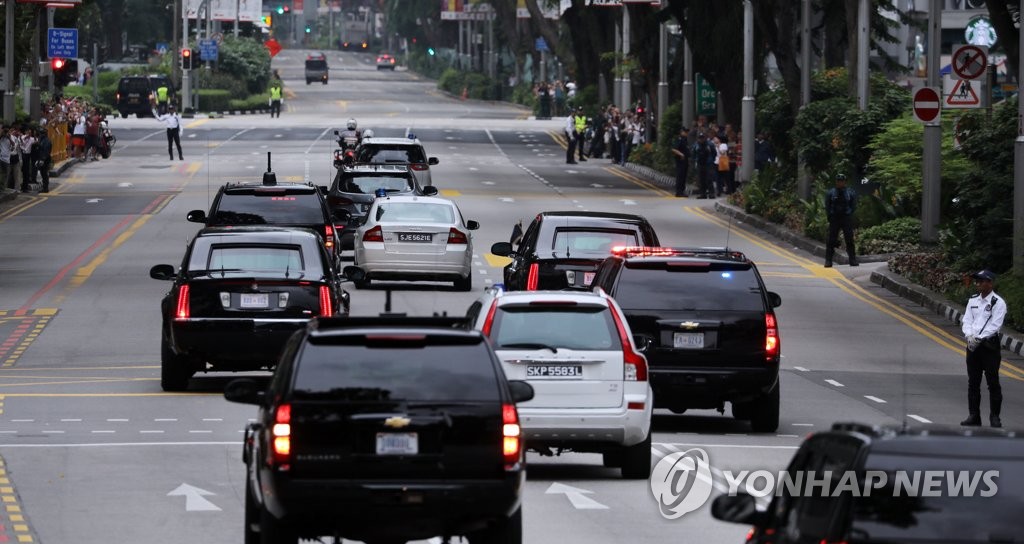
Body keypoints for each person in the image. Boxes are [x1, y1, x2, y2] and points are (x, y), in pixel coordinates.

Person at [960, 270, 1006, 428]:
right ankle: (974, 415)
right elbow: (967, 320)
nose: (978, 283)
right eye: (977, 281)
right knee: (973, 381)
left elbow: (995, 325)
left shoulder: (998, 302)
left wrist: (979, 338)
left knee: (992, 382)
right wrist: (969, 335)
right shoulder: (973, 300)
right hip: (972, 346)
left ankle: (995, 416)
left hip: (989, 346)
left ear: (990, 283)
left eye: (981, 281)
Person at [824, 173, 858, 267]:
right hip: (835, 218)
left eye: (842, 181)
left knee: (849, 239)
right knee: (831, 240)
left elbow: (853, 205)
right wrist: (830, 216)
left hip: (846, 217)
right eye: (838, 181)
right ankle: (828, 260)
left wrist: (849, 213)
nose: (840, 183)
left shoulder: (850, 192)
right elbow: (827, 205)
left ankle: (852, 259)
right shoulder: (831, 192)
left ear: (845, 182)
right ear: (836, 182)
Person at [671, 128, 690, 197]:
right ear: (682, 132)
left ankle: (682, 191)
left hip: (685, 160)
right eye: (685, 132)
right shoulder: (679, 139)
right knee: (680, 176)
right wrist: (681, 154)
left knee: (684, 176)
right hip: (680, 161)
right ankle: (679, 191)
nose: (686, 133)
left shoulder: (685, 139)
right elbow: (674, 149)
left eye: (687, 132)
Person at [34, 129, 52, 193]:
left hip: (45, 159)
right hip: (42, 159)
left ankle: (45, 188)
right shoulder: (43, 140)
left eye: (41, 134)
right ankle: (45, 187)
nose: (40, 135)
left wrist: (42, 159)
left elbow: (46, 151)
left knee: (44, 174)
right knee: (43, 173)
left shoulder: (46, 141)